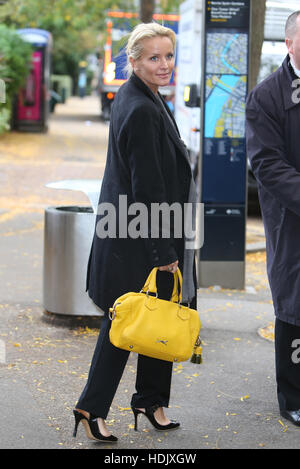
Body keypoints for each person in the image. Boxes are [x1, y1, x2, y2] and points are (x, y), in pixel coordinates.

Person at [72, 22, 198, 443]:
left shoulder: (140, 95)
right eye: (153, 58)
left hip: (136, 231)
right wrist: (163, 251)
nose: (164, 65)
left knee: (157, 318)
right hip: (140, 237)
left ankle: (150, 401)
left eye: (168, 56)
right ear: (134, 60)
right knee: (125, 325)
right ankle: (92, 408)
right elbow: (147, 188)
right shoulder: (142, 108)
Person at [246, 11, 300, 427]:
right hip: (292, 220)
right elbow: (267, 164)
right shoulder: (268, 96)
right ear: (290, 43)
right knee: (295, 305)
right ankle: (293, 396)